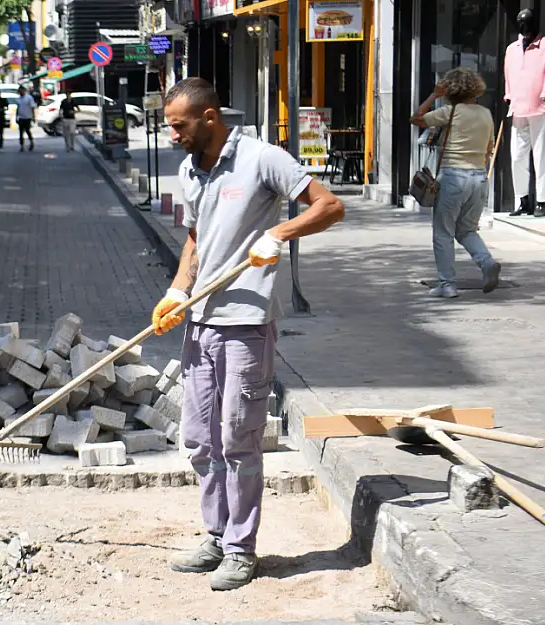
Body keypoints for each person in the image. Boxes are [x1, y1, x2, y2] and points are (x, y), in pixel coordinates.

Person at [152, 78, 344, 591]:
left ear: (209, 117)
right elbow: (195, 234)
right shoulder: (189, 168)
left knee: (238, 439)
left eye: (178, 125)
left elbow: (329, 206)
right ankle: (215, 536)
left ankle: (241, 548)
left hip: (247, 324)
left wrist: (276, 235)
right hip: (200, 322)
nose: (171, 134)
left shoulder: (264, 159)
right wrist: (176, 290)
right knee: (199, 439)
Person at [411, 67, 502, 298]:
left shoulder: (449, 112)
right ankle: (486, 262)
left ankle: (447, 284)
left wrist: (434, 95)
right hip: (479, 179)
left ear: (450, 90)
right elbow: (489, 149)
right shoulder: (486, 114)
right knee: (467, 230)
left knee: (443, 232)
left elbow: (417, 119)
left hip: (453, 177)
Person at [15, 86, 37, 152]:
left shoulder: (29, 98)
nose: (20, 92)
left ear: (24, 90)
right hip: (21, 117)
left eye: (21, 91)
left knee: (27, 131)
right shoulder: (19, 99)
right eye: (19, 91)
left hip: (28, 117)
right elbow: (18, 108)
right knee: (21, 132)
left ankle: (31, 143)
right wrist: (16, 116)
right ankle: (22, 145)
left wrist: (33, 117)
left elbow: (32, 107)